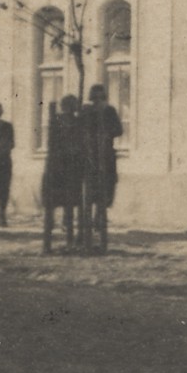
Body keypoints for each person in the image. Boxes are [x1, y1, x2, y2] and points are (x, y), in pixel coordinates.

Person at [77, 82, 124, 252]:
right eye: (95, 97)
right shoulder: (87, 111)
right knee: (92, 187)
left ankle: (99, 215)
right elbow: (79, 130)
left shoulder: (108, 111)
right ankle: (91, 221)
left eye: (99, 97)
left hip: (105, 154)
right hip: (91, 155)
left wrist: (106, 132)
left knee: (107, 185)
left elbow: (118, 130)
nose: (97, 100)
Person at [38, 92, 85, 254]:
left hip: (63, 168)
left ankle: (58, 240)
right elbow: (55, 143)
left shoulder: (73, 122)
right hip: (61, 167)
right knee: (61, 203)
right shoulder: (63, 121)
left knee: (64, 203)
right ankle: (59, 239)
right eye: (71, 106)